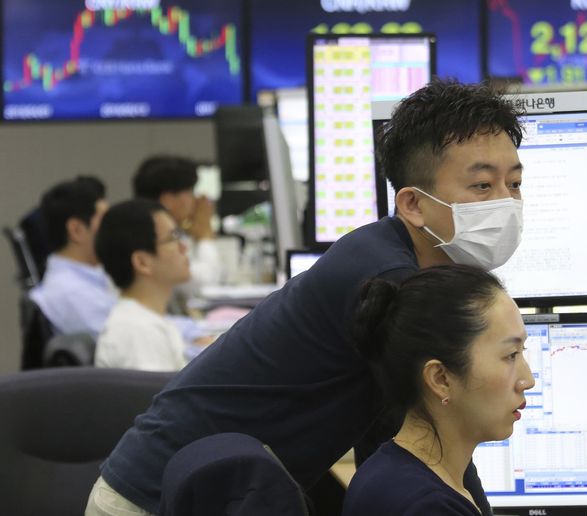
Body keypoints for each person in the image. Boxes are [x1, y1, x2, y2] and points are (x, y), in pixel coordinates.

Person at [85, 79, 525, 516]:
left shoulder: (393, 256)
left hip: (212, 485)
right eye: (482, 187)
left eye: (515, 183)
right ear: (412, 203)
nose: (505, 203)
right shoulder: (388, 277)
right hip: (152, 497)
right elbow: (424, 436)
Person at [343, 265, 535, 515]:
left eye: (523, 352)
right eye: (511, 355)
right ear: (441, 378)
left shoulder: (403, 473)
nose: (527, 380)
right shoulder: (426, 506)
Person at [93, 200, 193, 372]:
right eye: (173, 237)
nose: (184, 247)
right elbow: (158, 398)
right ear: (142, 262)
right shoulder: (138, 331)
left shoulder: (145, 320)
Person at [28, 177, 111, 339]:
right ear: (77, 230)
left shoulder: (90, 279)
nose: (116, 229)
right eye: (106, 220)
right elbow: (136, 341)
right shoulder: (71, 293)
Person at [132, 155, 222, 288]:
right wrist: (204, 234)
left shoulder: (173, 232)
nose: (195, 199)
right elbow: (207, 283)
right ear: (168, 199)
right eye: (190, 191)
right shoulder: (152, 237)